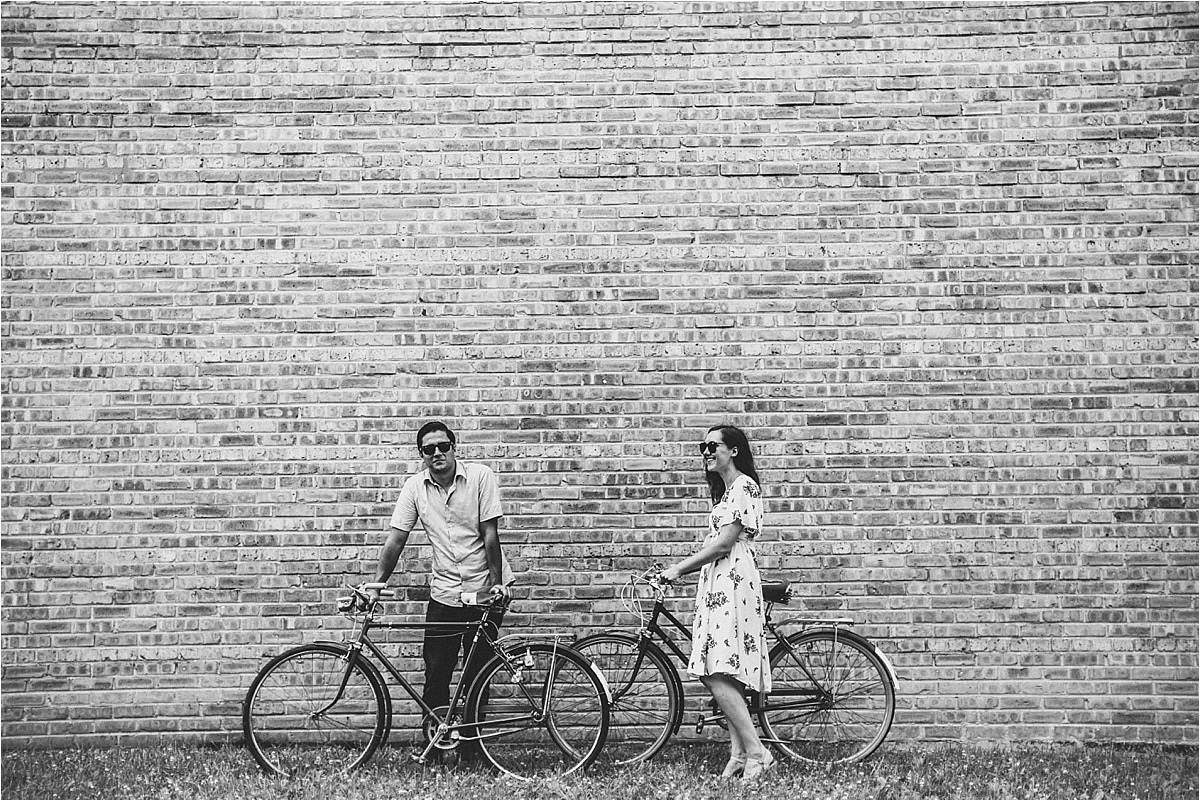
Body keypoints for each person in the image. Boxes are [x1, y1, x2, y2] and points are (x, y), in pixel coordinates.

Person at [367, 421, 514, 752]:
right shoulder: (415, 488)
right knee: (436, 673)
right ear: (422, 455)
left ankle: (473, 749)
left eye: (442, 446)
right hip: (445, 592)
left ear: (454, 446)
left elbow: (490, 533)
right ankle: (435, 743)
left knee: (478, 674)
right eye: (428, 449)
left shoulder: (480, 477)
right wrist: (377, 584)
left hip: (484, 589)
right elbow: (396, 539)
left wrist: (497, 583)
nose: (437, 453)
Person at [660, 424, 775, 781]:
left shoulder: (744, 487)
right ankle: (739, 755)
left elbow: (725, 544)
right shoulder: (725, 495)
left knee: (714, 669)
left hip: (733, 583)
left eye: (713, 446)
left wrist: (678, 568)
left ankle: (758, 751)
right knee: (724, 670)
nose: (706, 452)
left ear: (734, 450)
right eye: (703, 447)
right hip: (720, 583)